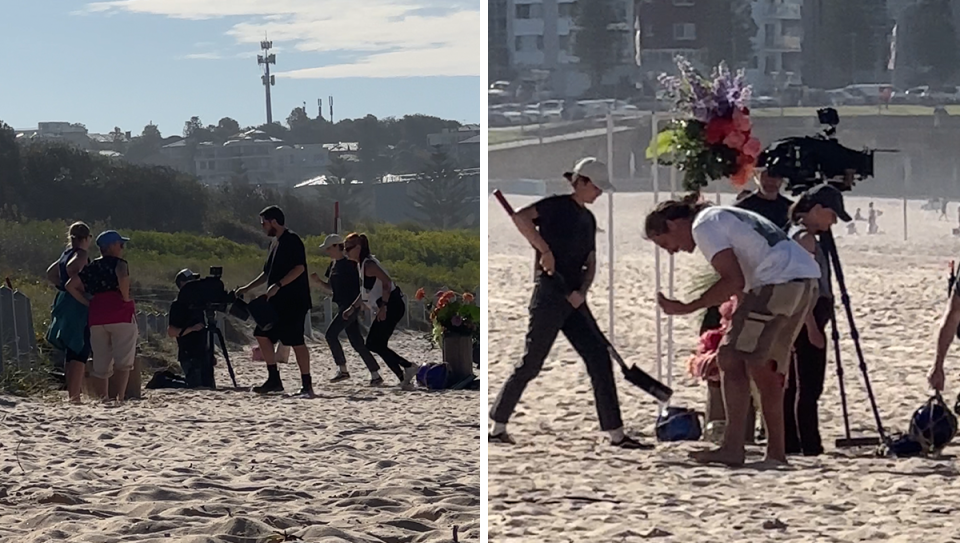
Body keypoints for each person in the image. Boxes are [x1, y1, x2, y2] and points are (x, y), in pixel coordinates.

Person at [645, 194, 820, 465]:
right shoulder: (722, 215)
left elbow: (732, 278)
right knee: (767, 367)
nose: (671, 250)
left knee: (729, 356)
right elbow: (741, 280)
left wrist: (688, 306)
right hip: (804, 282)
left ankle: (733, 446)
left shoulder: (703, 224)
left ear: (673, 223)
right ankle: (775, 452)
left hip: (776, 282)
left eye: (665, 243)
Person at [489, 157, 650, 449]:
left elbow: (590, 261)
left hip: (574, 298)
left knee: (600, 358)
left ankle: (616, 433)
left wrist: (583, 292)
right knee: (532, 362)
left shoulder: (588, 219)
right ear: (582, 182)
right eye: (597, 187)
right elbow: (521, 218)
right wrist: (544, 251)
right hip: (549, 294)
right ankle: (497, 426)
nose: (599, 193)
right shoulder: (556, 205)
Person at [783, 185, 852, 456]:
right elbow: (805, 286)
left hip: (801, 314)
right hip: (808, 314)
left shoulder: (797, 234)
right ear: (816, 210)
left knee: (796, 383)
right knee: (809, 384)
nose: (832, 222)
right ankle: (808, 443)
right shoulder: (805, 240)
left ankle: (793, 441)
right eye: (831, 215)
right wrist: (811, 325)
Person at [237, 206, 314, 396]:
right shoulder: (274, 243)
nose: (262, 227)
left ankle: (307, 384)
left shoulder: (292, 240)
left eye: (263, 223)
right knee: (261, 334)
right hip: (275, 303)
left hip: (294, 302)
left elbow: (299, 269)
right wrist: (246, 288)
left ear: (273, 221)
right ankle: (273, 379)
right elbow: (266, 273)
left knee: (296, 341)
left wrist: (278, 285)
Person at [67, 230, 138, 402]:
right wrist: (126, 297)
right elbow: (122, 278)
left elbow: (71, 285)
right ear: (112, 246)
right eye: (120, 244)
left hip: (97, 314)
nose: (122, 247)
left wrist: (87, 302)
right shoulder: (120, 264)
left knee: (101, 359)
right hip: (120, 312)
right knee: (123, 358)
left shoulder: (92, 267)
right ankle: (119, 397)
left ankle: (103, 397)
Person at [342, 232, 418, 390]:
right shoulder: (360, 265)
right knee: (377, 344)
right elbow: (365, 292)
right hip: (386, 305)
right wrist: (352, 308)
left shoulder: (369, 265)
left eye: (348, 248)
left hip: (393, 305)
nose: (345, 251)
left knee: (373, 343)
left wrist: (384, 306)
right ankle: (404, 375)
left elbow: (387, 282)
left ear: (358, 248)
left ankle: (408, 368)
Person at [311, 234, 383, 386]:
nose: (327, 251)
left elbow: (362, 286)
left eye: (329, 248)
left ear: (338, 246)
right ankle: (375, 374)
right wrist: (318, 283)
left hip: (350, 307)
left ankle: (343, 369)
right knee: (357, 342)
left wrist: (357, 306)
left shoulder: (350, 265)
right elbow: (331, 288)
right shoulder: (332, 266)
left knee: (330, 334)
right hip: (342, 306)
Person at [45, 222, 93, 403]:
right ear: (87, 238)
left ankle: (73, 394)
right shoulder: (81, 254)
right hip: (76, 304)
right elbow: (73, 268)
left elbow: (51, 273)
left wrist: (62, 287)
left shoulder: (65, 254)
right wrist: (82, 296)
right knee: (80, 347)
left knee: (70, 350)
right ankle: (75, 395)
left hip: (64, 300)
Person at [166, 269, 214, 388]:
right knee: (195, 386)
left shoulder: (198, 304)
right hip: (189, 355)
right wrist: (191, 329)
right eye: (190, 281)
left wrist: (210, 353)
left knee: (209, 387)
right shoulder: (178, 305)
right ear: (182, 284)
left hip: (203, 353)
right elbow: (171, 331)